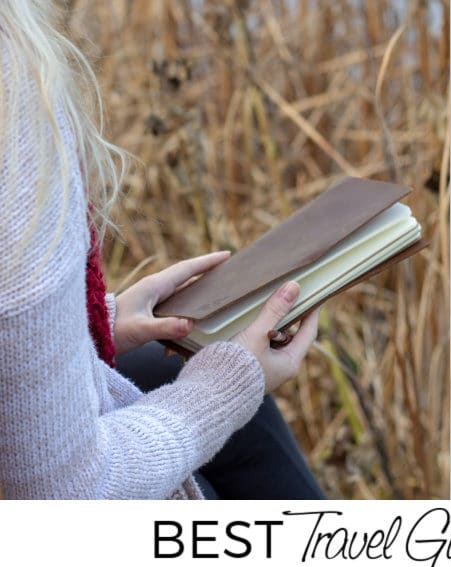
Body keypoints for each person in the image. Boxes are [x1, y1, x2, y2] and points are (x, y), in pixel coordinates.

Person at [0, 0, 325, 500]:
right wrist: (223, 391)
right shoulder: (15, 96)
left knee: (170, 363)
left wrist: (87, 326)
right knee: (219, 406)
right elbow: (66, 491)